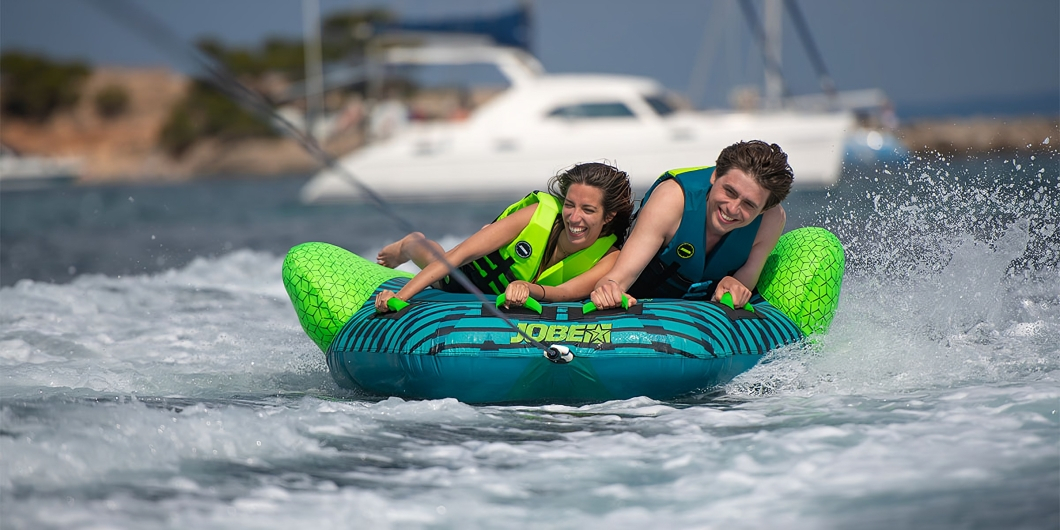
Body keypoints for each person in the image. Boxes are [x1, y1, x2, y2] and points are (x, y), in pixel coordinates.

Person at [374, 162, 635, 312]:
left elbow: (564, 292)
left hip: (514, 297)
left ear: (608, 216)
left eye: (588, 210)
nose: (574, 217)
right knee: (437, 263)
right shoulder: (537, 215)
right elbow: (461, 254)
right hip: (467, 276)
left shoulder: (609, 257)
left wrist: (528, 289)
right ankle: (409, 244)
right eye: (569, 205)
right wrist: (400, 296)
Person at [590, 140, 793, 310]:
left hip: (704, 313)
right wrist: (609, 289)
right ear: (715, 175)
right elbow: (618, 277)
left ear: (764, 208)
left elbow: (744, 281)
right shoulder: (672, 199)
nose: (732, 209)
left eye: (749, 204)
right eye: (729, 192)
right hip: (640, 299)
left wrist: (735, 286)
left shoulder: (771, 220)